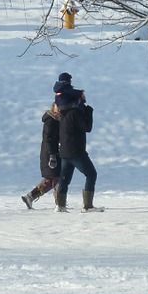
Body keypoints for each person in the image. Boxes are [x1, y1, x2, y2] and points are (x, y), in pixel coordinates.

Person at [52, 72, 102, 212]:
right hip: (76, 151)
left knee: (65, 179)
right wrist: (89, 111)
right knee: (91, 174)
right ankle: (88, 206)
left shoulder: (63, 113)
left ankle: (60, 206)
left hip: (65, 152)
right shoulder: (75, 113)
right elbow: (87, 128)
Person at [21, 103, 62, 209]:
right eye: (58, 106)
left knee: (50, 180)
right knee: (57, 178)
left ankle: (30, 197)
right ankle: (60, 203)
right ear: (53, 108)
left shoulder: (57, 120)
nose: (60, 109)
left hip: (52, 153)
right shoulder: (51, 121)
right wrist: (52, 156)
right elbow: (48, 139)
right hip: (50, 154)